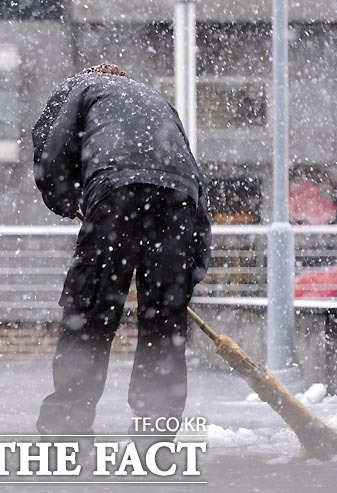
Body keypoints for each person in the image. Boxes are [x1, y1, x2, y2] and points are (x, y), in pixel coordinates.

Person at [32, 63, 212, 444]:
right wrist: (188, 272)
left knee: (92, 309)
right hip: (179, 198)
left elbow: (50, 148)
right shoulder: (157, 100)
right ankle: (157, 426)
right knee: (164, 319)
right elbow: (194, 178)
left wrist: (66, 201)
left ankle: (67, 423)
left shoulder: (80, 87)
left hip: (117, 191)